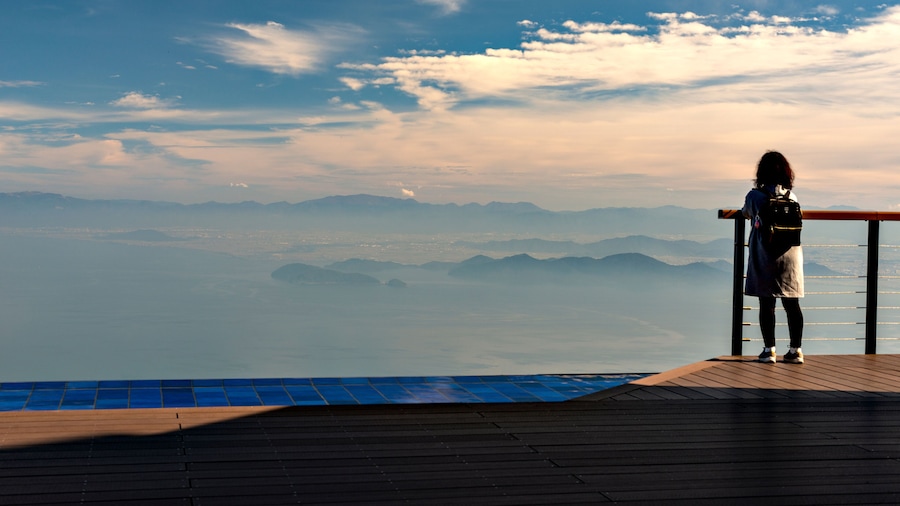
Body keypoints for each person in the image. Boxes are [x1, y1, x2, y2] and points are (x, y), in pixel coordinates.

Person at [742, 151, 805, 364]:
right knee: (792, 303)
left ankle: (769, 350)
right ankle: (795, 350)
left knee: (766, 302)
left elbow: (746, 213)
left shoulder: (754, 196)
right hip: (791, 254)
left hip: (765, 253)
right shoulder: (792, 197)